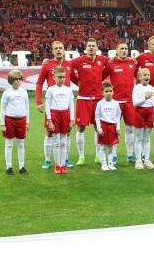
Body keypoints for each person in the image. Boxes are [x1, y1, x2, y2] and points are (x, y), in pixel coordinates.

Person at [70, 38, 109, 165]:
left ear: (97, 48)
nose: (91, 47)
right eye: (89, 46)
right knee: (81, 128)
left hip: (98, 99)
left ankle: (98, 156)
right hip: (83, 99)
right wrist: (77, 82)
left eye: (93, 46)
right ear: (86, 48)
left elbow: (112, 64)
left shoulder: (103, 60)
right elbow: (67, 67)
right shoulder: (79, 60)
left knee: (98, 127)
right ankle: (81, 156)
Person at [35, 40, 73, 170]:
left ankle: (65, 159)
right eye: (56, 48)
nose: (58, 50)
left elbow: (76, 79)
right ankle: (47, 160)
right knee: (50, 132)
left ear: (64, 50)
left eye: (60, 48)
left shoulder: (69, 64)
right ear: (52, 51)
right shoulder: (47, 65)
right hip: (52, 106)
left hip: (66, 105)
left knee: (67, 132)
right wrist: (39, 101)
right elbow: (39, 83)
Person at [105, 43, 138, 163]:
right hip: (115, 102)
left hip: (129, 101)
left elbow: (139, 77)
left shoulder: (132, 63)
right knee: (114, 129)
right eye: (122, 49)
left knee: (130, 129)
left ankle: (130, 155)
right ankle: (113, 155)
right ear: (117, 51)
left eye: (126, 49)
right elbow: (101, 77)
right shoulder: (111, 63)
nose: (124, 50)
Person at [45, 67, 75, 174]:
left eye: (63, 77)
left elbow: (71, 105)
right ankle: (57, 165)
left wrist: (72, 119)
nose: (61, 79)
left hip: (65, 115)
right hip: (55, 115)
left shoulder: (68, 89)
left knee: (63, 142)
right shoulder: (50, 89)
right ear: (54, 77)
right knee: (56, 142)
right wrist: (49, 120)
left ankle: (63, 165)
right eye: (59, 77)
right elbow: (47, 106)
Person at [0, 69, 29, 175]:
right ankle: (9, 167)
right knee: (9, 144)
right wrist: (2, 124)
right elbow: (2, 109)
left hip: (22, 120)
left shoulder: (24, 92)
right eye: (16, 79)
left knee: (21, 144)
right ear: (11, 80)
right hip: (9, 120)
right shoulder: (6, 93)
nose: (18, 81)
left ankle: (22, 166)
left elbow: (27, 108)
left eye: (20, 79)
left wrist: (27, 122)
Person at [132, 68, 154, 170]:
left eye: (148, 75)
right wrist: (145, 98)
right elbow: (135, 103)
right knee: (139, 138)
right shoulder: (136, 88)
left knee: (147, 138)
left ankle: (147, 160)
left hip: (150, 113)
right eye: (144, 75)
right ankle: (138, 161)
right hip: (139, 112)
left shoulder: (152, 89)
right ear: (139, 77)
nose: (147, 76)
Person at [95, 82, 122, 171]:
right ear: (102, 93)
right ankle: (104, 164)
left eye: (110, 91)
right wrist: (99, 128)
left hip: (112, 127)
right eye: (106, 91)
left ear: (113, 92)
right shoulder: (100, 103)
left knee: (111, 147)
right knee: (102, 147)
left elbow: (118, 116)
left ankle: (110, 164)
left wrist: (118, 127)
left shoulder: (116, 103)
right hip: (104, 126)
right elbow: (97, 116)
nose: (109, 93)